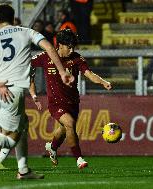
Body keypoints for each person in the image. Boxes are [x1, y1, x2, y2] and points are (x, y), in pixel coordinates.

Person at [0, 3, 74, 180]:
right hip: (12, 92)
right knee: (10, 139)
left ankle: (23, 170)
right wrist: (62, 71)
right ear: (13, 17)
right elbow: (49, 47)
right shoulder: (25, 31)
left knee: (23, 125)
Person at [31, 29, 112, 169]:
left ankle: (52, 147)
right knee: (69, 123)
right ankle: (79, 158)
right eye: (69, 47)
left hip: (73, 102)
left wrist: (103, 82)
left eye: (73, 47)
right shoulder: (45, 57)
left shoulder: (76, 58)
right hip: (55, 103)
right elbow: (27, 64)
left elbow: (89, 74)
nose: (72, 50)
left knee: (64, 128)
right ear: (60, 45)